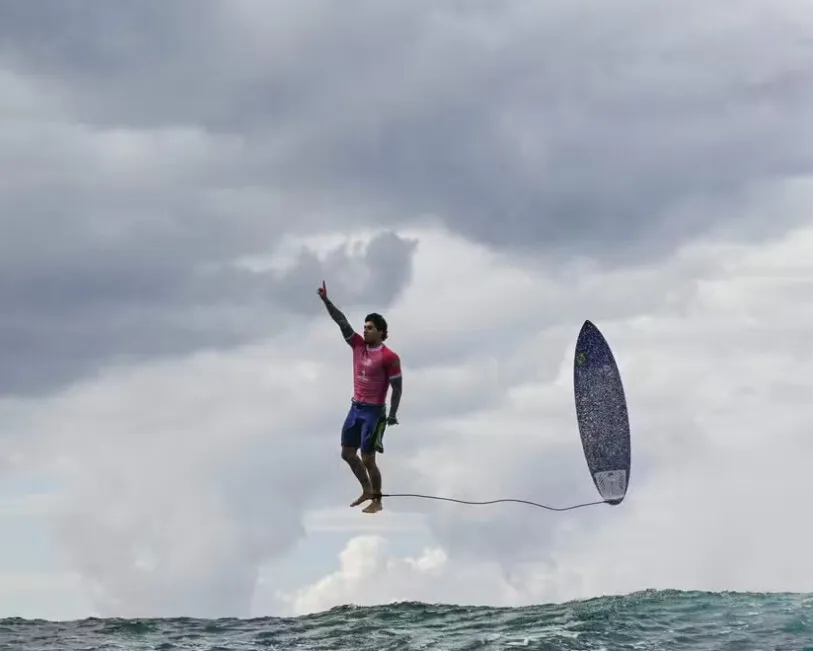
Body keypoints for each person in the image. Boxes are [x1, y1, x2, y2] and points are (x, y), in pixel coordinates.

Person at [318, 280, 402, 514]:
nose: (365, 330)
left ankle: (377, 500)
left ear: (382, 333)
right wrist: (326, 301)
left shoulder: (389, 357)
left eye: (371, 328)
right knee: (347, 453)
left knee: (368, 458)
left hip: (374, 413)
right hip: (356, 408)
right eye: (364, 327)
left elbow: (397, 388)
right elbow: (341, 321)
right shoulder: (357, 346)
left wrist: (392, 414)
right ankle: (366, 489)